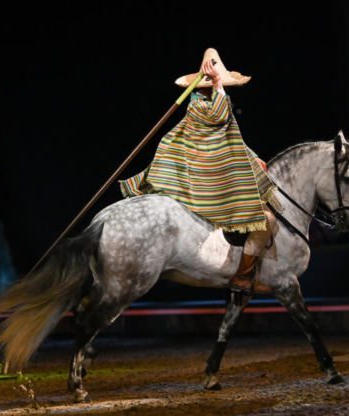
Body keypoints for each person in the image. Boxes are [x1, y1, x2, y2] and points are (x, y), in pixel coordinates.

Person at [120, 48, 281, 294]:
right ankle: (242, 277)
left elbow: (230, 142)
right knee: (266, 219)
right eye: (218, 84)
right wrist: (218, 82)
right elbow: (221, 116)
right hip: (206, 177)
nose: (224, 90)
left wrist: (254, 158)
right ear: (208, 85)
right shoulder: (201, 107)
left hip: (213, 169)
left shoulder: (210, 105)